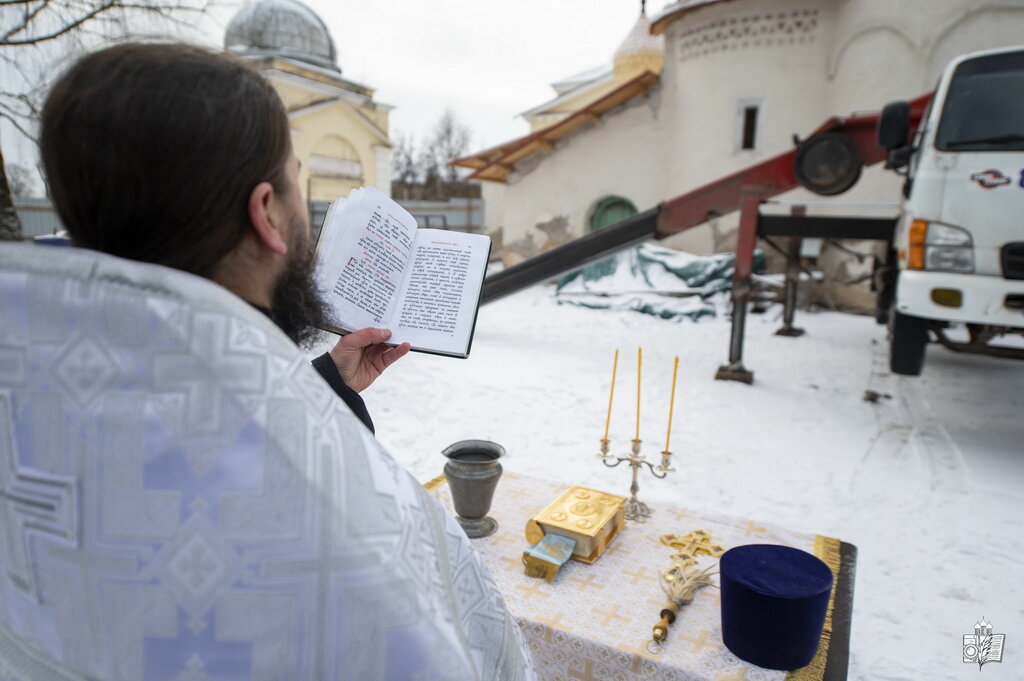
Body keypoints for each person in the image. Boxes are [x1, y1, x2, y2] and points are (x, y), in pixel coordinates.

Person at [0, 42, 537, 681]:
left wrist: (325, 390)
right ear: (266, 214)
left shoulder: (25, 400)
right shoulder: (338, 508)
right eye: (296, 181)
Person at [40, 41, 408, 434]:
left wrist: (332, 385)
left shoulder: (45, 390)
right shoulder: (311, 468)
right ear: (267, 211)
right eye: (294, 178)